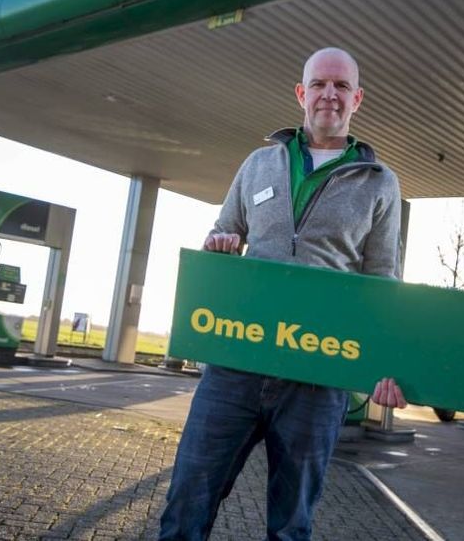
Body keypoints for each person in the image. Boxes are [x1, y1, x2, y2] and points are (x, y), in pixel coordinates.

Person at [159, 47, 407, 541]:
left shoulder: (380, 183)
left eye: (340, 86)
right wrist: (220, 247)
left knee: (291, 524)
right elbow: (222, 233)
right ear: (301, 93)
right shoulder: (258, 164)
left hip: (317, 377)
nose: (328, 95)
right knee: (187, 501)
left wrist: (386, 365)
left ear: (357, 98)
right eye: (319, 84)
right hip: (236, 364)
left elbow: (382, 285)